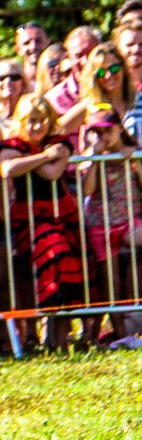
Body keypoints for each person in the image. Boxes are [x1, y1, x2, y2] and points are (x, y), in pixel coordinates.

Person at [0, 94, 84, 348]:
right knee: (30, 272)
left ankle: (58, 337)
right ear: (21, 121)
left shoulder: (60, 143)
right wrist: (44, 156)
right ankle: (32, 334)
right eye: (31, 120)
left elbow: (53, 173)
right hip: (26, 218)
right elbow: (8, 169)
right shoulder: (11, 145)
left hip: (60, 215)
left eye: (42, 120)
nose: (36, 126)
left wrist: (27, 160)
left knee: (64, 265)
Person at [76, 107, 142, 322]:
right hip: (100, 224)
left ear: (119, 129)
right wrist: (95, 158)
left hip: (129, 220)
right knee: (111, 283)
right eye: (98, 132)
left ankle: (134, 311)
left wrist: (135, 162)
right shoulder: (92, 158)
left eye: (107, 130)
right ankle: (119, 332)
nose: (103, 136)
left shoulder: (135, 151)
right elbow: (87, 190)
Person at [45, 25, 103, 132]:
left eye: (91, 54)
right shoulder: (53, 100)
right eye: (79, 56)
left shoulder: (115, 89)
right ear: (68, 57)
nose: (85, 62)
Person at [0, 58, 31, 144]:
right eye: (1, 78)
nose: (8, 81)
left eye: (14, 77)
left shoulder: (31, 113)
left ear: (23, 83)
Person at [114, 21, 142, 139]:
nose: (136, 49)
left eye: (141, 44)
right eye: (130, 45)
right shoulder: (108, 86)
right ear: (117, 49)